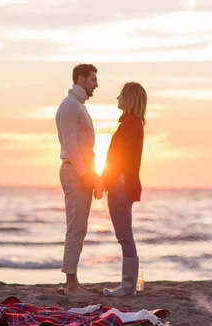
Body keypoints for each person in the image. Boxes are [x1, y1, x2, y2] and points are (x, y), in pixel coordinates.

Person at [56, 63, 101, 296]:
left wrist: (93, 175)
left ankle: (73, 283)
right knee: (75, 228)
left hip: (82, 171)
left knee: (80, 228)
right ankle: (71, 285)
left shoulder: (79, 106)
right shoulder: (70, 106)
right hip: (74, 172)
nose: (96, 83)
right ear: (81, 79)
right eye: (93, 79)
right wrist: (86, 176)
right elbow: (71, 147)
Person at [100, 82, 147, 296]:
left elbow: (119, 160)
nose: (117, 98)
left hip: (120, 184)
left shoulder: (130, 124)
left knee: (125, 235)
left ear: (128, 98)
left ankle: (128, 287)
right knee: (125, 235)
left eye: (120, 95)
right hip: (122, 184)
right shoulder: (133, 123)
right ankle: (128, 285)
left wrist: (103, 181)